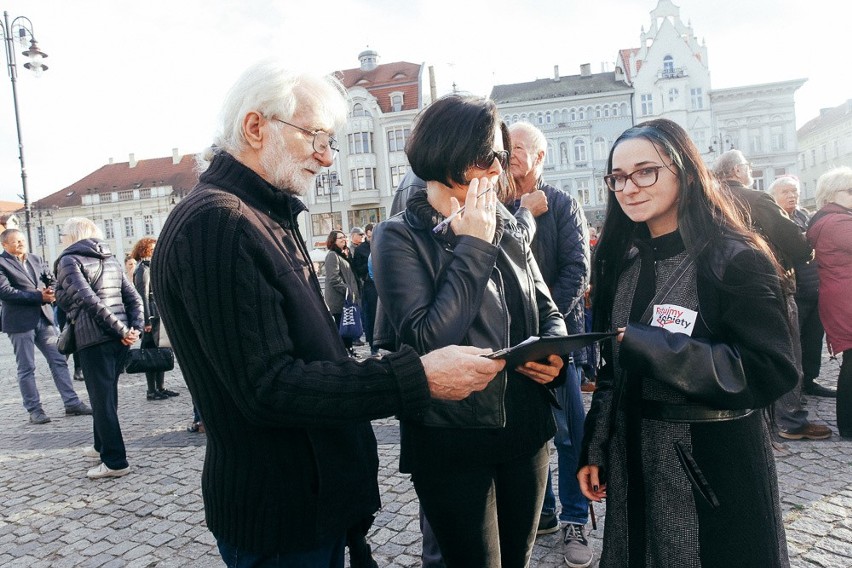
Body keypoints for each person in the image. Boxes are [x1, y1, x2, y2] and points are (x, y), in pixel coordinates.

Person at [150, 61, 504, 566]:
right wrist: (416, 377)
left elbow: (311, 352)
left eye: (331, 142)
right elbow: (268, 386)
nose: (327, 158)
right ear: (256, 128)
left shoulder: (265, 212)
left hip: (311, 504)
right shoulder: (218, 223)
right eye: (316, 138)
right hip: (281, 517)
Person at [578, 119, 798, 567]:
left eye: (645, 171)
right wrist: (595, 447)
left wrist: (656, 349)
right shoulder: (623, 263)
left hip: (711, 467)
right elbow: (609, 371)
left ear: (684, 170)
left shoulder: (736, 257)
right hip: (635, 462)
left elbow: (769, 369)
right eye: (618, 177)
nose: (629, 187)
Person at [372, 94, 567, 568]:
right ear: (453, 156)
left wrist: (557, 353)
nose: (502, 169)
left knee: (517, 559)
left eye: (502, 157)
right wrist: (474, 244)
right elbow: (428, 341)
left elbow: (546, 306)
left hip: (526, 430)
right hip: (452, 438)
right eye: (491, 157)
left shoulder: (508, 222)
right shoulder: (399, 235)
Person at [506, 121, 593, 568]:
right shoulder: (498, 206)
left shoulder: (562, 204)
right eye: (507, 147)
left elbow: (577, 271)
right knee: (526, 433)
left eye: (520, 148)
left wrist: (547, 332)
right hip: (512, 348)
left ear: (541, 157)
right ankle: (542, 514)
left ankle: (576, 517)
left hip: (558, 343)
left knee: (569, 434)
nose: (512, 154)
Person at [714, 149, 831, 441]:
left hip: (719, 289)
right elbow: (794, 241)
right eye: (748, 167)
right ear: (738, 171)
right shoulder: (756, 198)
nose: (750, 172)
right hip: (770, 284)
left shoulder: (707, 201)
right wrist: (807, 251)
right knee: (785, 352)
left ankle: (755, 416)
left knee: (739, 353)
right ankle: (790, 420)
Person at [54, 217, 143, 479]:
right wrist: (132, 329)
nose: (61, 240)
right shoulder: (111, 258)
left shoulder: (69, 260)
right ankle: (100, 446)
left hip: (94, 338)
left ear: (72, 236)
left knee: (101, 400)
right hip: (118, 340)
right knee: (106, 395)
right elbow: (134, 297)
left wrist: (123, 331)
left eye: (63, 235)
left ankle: (115, 460)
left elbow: (89, 301)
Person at [0, 228, 92, 424]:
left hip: (45, 318)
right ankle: (35, 410)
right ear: (5, 245)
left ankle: (72, 403)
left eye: (22, 240)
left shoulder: (35, 258)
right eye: (16, 242)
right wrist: (38, 296)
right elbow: (5, 291)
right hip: (19, 322)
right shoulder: (1, 263)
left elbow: (51, 278)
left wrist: (52, 289)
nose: (21, 244)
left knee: (59, 360)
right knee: (27, 367)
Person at [770, 176, 834, 397]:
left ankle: (810, 380)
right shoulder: (773, 220)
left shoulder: (805, 216)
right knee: (793, 341)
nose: (792, 196)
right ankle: (792, 388)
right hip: (793, 290)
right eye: (786, 192)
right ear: (774, 196)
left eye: (795, 191)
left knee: (814, 339)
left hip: (816, 288)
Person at [807, 167, 852, 438]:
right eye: (850, 191)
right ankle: (848, 426)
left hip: (839, 294)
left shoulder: (827, 219)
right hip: (846, 296)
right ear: (832, 194)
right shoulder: (838, 222)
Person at [131, 237, 179, 401]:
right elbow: (142, 296)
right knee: (150, 353)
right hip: (151, 315)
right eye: (152, 249)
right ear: (144, 251)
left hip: (158, 314)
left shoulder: (151, 268)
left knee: (161, 350)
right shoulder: (142, 269)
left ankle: (160, 387)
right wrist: (146, 321)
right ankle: (151, 390)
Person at [324, 230, 360, 356]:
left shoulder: (342, 254)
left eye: (344, 237)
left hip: (346, 298)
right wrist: (347, 290)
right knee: (342, 326)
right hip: (338, 299)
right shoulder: (332, 255)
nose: (344, 239)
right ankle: (342, 353)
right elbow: (333, 278)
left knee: (347, 325)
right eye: (340, 238)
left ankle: (349, 350)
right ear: (333, 240)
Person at [352, 223, 379, 356]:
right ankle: (374, 346)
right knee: (372, 315)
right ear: (368, 233)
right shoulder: (360, 249)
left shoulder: (381, 244)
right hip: (370, 285)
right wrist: (369, 269)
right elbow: (357, 269)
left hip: (383, 284)